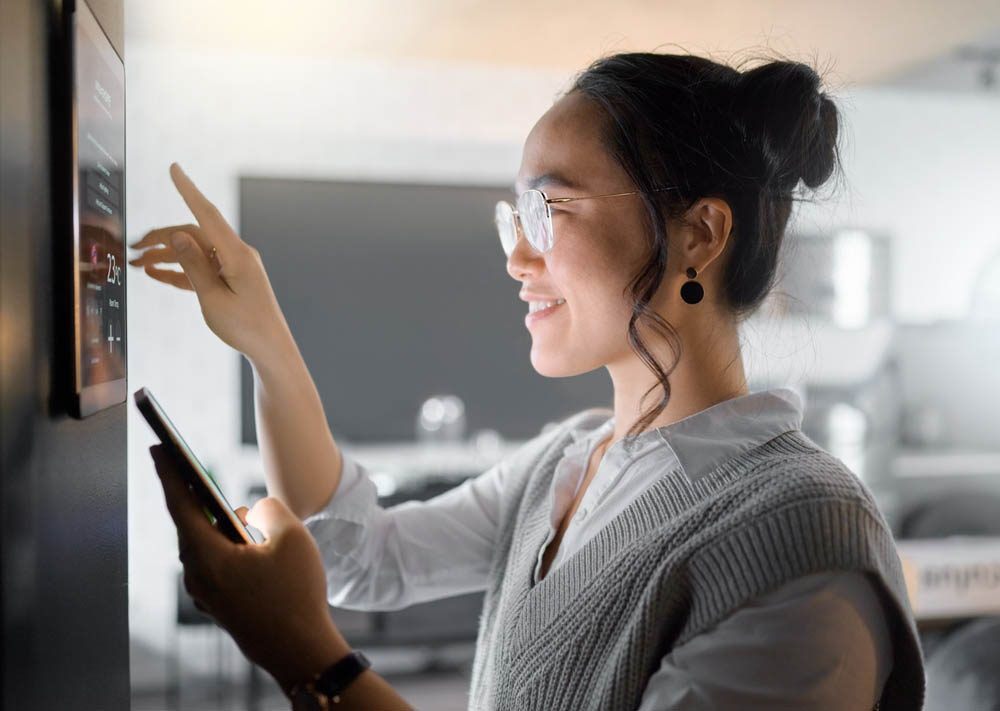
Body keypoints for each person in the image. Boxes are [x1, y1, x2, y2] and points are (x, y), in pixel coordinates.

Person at [133, 52, 926, 710]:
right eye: (515, 218)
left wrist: (305, 653)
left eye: (548, 209)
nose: (516, 257)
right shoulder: (566, 462)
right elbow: (360, 553)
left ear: (699, 233)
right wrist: (265, 340)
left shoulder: (801, 542)